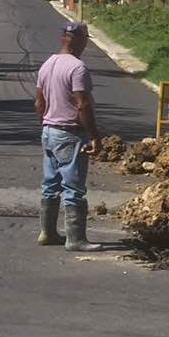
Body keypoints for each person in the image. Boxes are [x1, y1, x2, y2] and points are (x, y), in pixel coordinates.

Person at [34, 21, 102, 251]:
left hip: (49, 131)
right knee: (74, 187)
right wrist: (95, 136)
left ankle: (47, 232)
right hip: (69, 133)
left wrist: (47, 124)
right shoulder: (77, 68)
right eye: (86, 39)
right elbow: (82, 105)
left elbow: (39, 103)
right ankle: (75, 239)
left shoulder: (47, 64)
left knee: (50, 183)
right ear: (79, 40)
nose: (86, 44)